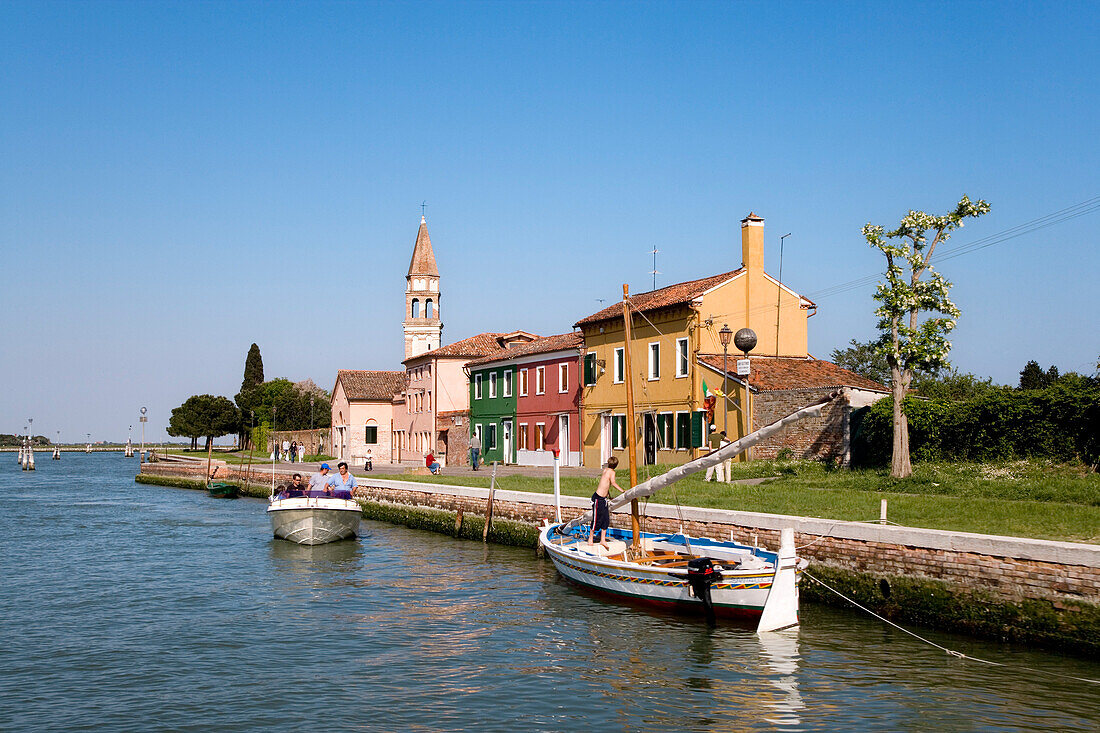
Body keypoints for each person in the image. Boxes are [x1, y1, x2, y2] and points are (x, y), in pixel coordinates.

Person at [588, 456, 624, 548]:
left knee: (605, 519)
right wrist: (623, 491)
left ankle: (602, 540)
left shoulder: (606, 470)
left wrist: (608, 495)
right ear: (616, 465)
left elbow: (606, 484)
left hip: (603, 499)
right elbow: (613, 483)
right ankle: (590, 538)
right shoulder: (611, 472)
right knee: (596, 519)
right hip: (598, 498)